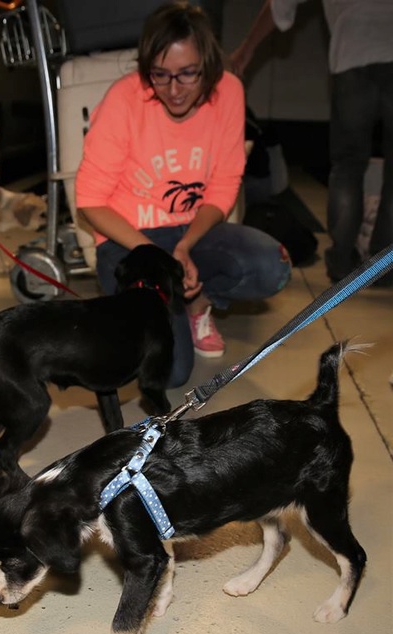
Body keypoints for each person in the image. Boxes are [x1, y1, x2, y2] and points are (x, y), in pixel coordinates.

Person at [75, 1, 291, 387]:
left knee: (272, 266)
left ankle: (198, 302)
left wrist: (186, 246)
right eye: (160, 75)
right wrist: (159, 257)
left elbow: (224, 185)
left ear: (208, 65)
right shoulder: (125, 99)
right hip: (129, 242)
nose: (173, 90)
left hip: (193, 231)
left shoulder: (229, 92)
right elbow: (90, 200)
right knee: (170, 374)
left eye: (188, 74)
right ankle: (172, 299)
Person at [229, 0, 393, 285]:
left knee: (347, 167)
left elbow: (280, 5)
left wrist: (246, 50)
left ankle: (342, 262)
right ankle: (381, 265)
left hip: (351, 56)